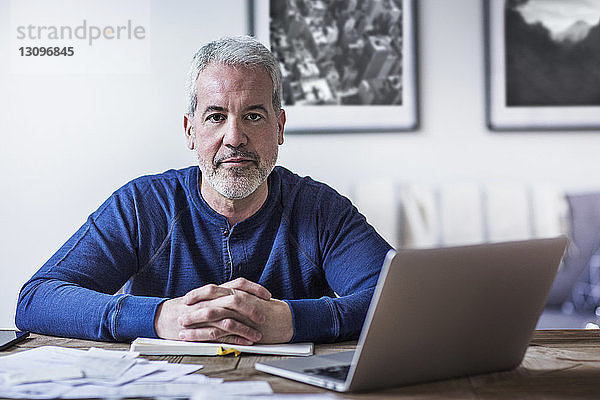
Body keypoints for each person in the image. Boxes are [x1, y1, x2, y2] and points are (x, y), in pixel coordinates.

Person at [15, 36, 391, 344]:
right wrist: (161, 317)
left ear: (279, 127)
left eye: (253, 116)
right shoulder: (142, 205)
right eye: (215, 116)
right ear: (190, 130)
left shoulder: (322, 209)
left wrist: (294, 320)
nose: (234, 138)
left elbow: (400, 302)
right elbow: (37, 299)